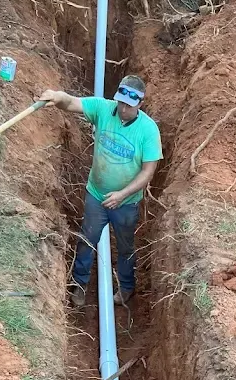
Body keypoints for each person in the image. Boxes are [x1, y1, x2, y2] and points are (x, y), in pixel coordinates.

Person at [40, 76, 162, 308]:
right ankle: (79, 284)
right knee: (87, 239)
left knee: (125, 247)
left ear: (140, 104)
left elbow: (148, 172)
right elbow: (72, 103)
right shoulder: (104, 109)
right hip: (96, 195)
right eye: (121, 103)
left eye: (129, 105)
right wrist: (57, 97)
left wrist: (122, 195)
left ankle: (126, 287)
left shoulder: (148, 131)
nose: (123, 109)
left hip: (126, 203)